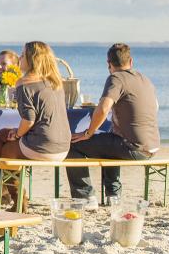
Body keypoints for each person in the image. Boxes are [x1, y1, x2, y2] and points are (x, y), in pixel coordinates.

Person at [65, 43, 160, 201]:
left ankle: (84, 197)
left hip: (133, 148)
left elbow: (103, 109)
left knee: (71, 144)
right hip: (152, 146)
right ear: (131, 61)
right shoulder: (145, 79)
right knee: (110, 138)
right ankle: (113, 194)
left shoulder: (116, 78)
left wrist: (88, 133)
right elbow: (154, 107)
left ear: (109, 64)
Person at [0, 41, 71, 210]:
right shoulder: (56, 82)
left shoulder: (24, 83)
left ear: (32, 60)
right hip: (64, 146)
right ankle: (5, 191)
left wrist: (17, 134)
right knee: (1, 135)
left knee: (4, 153)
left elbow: (29, 120)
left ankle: (17, 200)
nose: (19, 57)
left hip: (43, 145)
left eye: (23, 54)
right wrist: (16, 133)